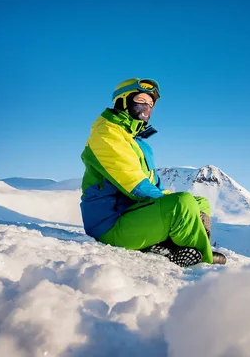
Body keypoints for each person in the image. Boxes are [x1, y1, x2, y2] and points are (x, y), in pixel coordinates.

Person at [79, 78, 226, 267]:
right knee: (182, 203)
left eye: (150, 104)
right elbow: (135, 185)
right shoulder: (106, 134)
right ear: (123, 102)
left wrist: (178, 204)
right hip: (110, 225)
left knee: (199, 202)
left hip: (135, 215)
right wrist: (178, 207)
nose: (146, 108)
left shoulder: (139, 143)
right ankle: (202, 258)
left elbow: (154, 186)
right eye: (141, 100)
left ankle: (181, 247)